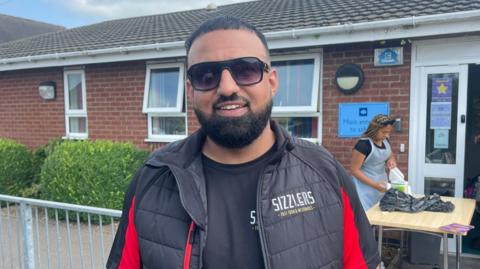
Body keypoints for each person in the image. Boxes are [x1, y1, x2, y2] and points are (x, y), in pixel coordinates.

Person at [107, 16, 380, 269]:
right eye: (206, 75)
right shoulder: (153, 178)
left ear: (272, 82)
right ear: (190, 91)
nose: (227, 88)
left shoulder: (325, 171)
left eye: (246, 70)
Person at [351, 114, 397, 211]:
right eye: (384, 132)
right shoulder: (363, 145)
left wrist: (391, 160)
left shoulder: (385, 141)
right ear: (374, 129)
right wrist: (375, 185)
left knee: (379, 215)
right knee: (366, 218)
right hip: (363, 188)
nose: (387, 135)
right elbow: (354, 170)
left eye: (388, 132)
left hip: (381, 184)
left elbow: (389, 154)